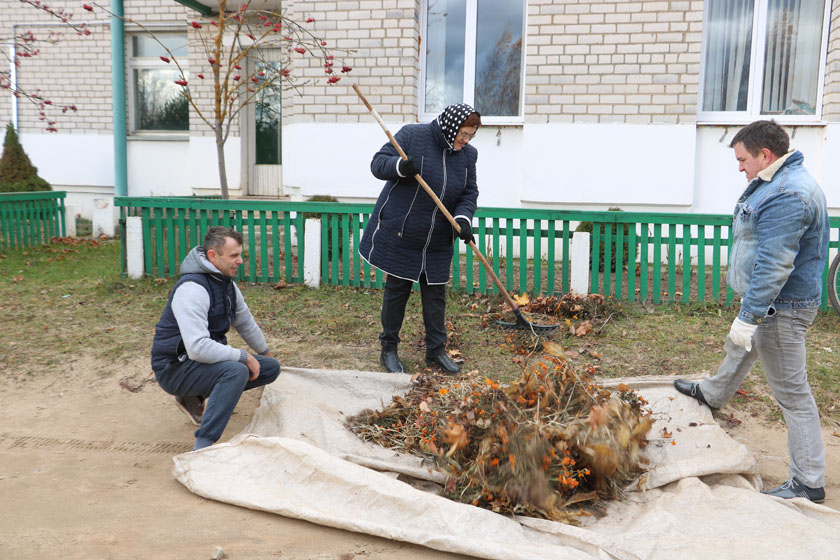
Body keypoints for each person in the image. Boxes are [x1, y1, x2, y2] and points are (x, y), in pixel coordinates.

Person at [674, 120, 829, 503]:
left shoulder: (788, 194)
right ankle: (712, 393)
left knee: (792, 393)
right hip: (772, 302)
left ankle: (808, 481)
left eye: (743, 159)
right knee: (739, 349)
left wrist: (751, 315)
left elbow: (776, 264)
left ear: (765, 154)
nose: (739, 167)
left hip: (782, 307)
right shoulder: (779, 181)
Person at [359, 104, 482, 374]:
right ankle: (388, 349)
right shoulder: (413, 136)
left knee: (435, 294)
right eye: (464, 134)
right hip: (404, 233)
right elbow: (378, 164)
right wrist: (400, 167)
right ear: (452, 126)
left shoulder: (468, 156)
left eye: (471, 136)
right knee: (397, 292)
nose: (466, 140)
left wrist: (463, 219)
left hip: (438, 238)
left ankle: (436, 351)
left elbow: (468, 193)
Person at [151, 226, 280, 450]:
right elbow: (197, 348)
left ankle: (194, 395)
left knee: (270, 368)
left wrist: (264, 353)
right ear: (213, 256)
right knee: (236, 370)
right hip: (174, 368)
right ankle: (204, 443)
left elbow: (245, 322)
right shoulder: (192, 289)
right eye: (233, 256)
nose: (240, 261)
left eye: (240, 254)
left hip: (199, 363)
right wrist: (242, 356)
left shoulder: (226, 284)